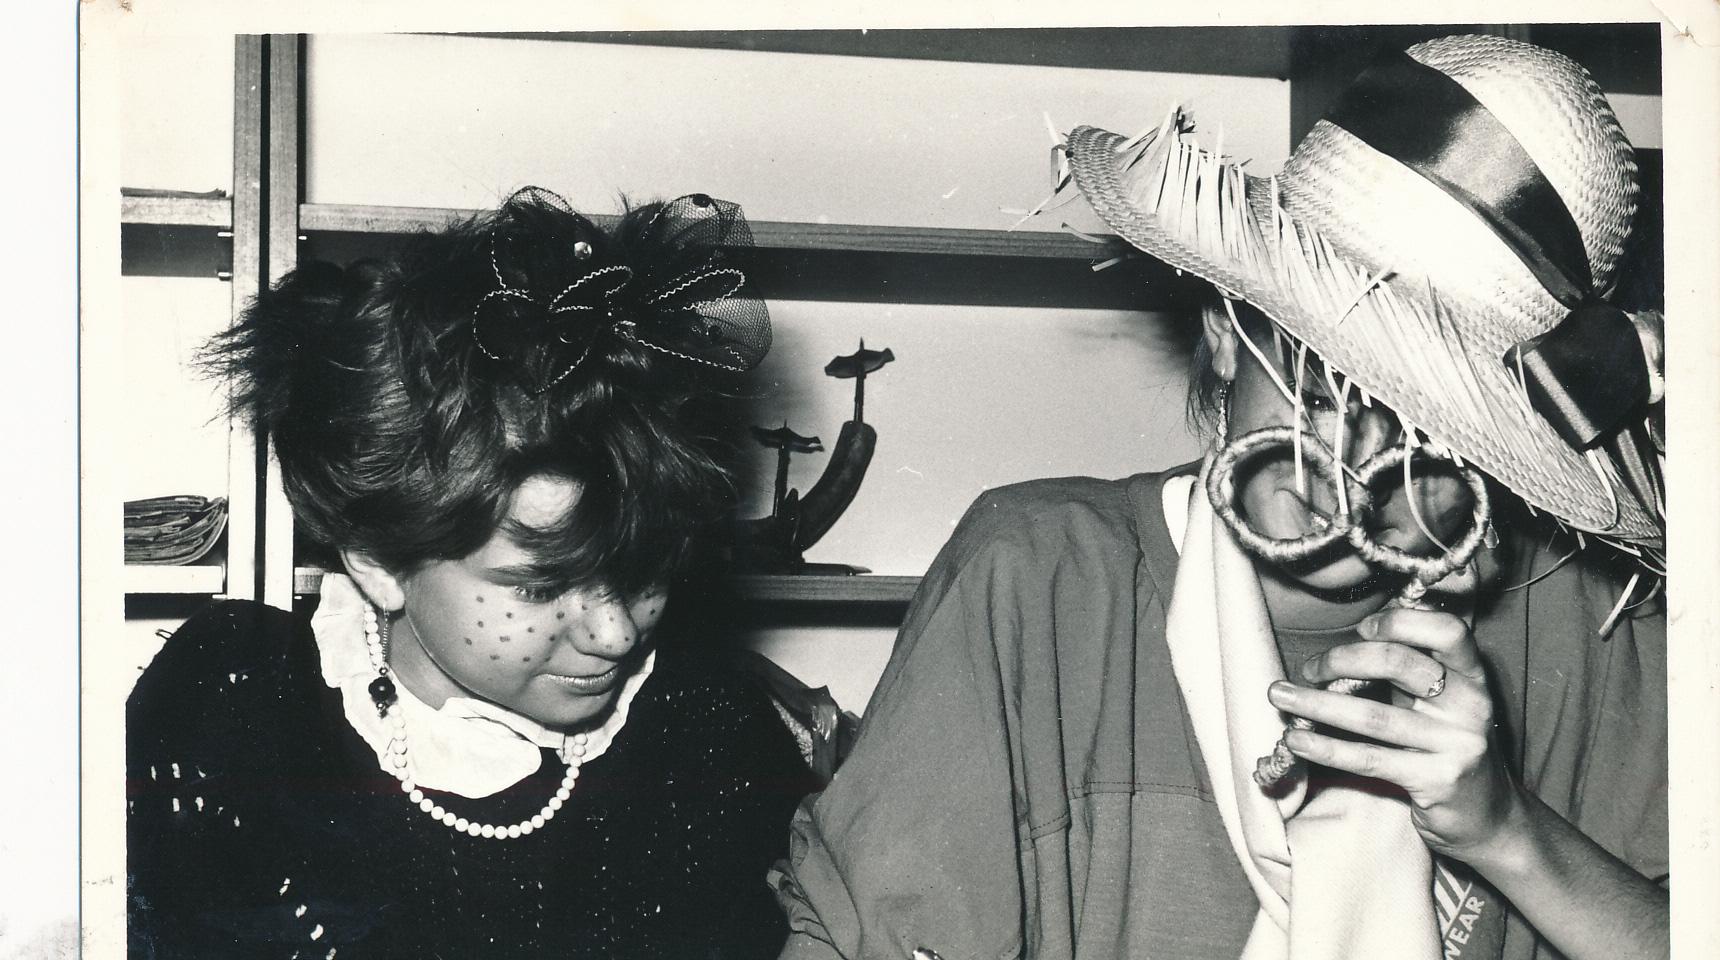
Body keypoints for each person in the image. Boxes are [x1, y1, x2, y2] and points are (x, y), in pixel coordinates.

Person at [770, 35, 1667, 960]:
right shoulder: (1039, 579)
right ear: (1228, 333)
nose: (1356, 465)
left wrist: (1508, 831)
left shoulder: (1588, 620)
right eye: (1321, 386)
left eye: (1436, 433)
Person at [127, 187, 819, 958]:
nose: (616, 632)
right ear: (379, 562)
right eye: (541, 586)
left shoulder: (716, 733)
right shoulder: (236, 710)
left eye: (641, 565)